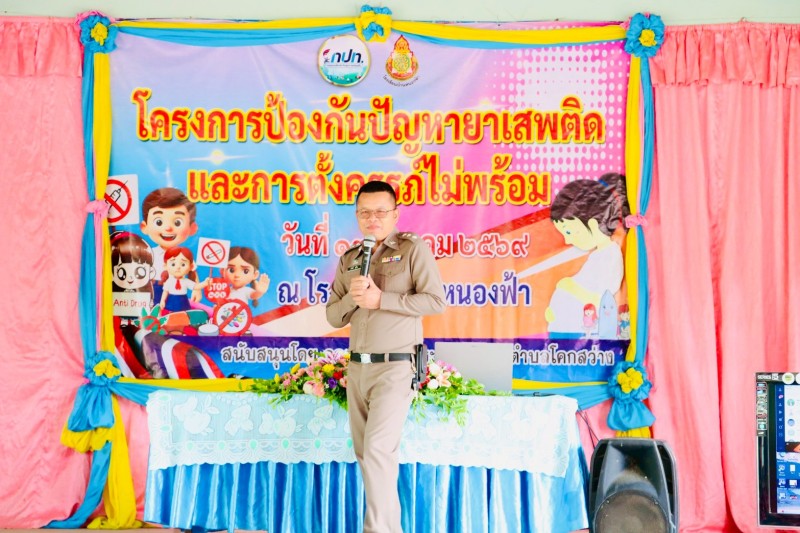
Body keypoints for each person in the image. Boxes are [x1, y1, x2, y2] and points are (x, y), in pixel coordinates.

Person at [326, 181, 446, 533]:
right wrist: (352, 299)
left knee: (378, 450)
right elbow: (333, 317)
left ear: (395, 214)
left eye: (380, 211)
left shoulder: (411, 249)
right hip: (357, 369)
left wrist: (382, 300)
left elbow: (435, 301)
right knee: (367, 455)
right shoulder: (350, 258)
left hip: (396, 366)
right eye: (365, 212)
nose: (372, 219)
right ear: (357, 215)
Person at [545, 172, 629, 336]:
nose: (567, 240)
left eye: (569, 232)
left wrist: (569, 287)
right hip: (567, 330)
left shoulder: (610, 255)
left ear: (593, 223)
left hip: (579, 334)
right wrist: (555, 311)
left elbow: (603, 299)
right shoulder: (599, 254)